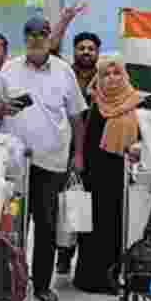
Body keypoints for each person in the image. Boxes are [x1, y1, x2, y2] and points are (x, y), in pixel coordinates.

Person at [0, 17, 88, 301]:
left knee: (45, 225)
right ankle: (8, 279)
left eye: (42, 33)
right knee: (11, 223)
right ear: (24, 38)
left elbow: (77, 117)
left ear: (50, 37)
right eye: (30, 34)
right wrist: (2, 108)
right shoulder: (9, 69)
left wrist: (78, 154)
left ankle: (42, 284)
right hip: (14, 164)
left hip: (51, 162)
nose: (36, 38)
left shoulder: (64, 71)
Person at [71, 56, 140, 294]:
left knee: (116, 224)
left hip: (121, 176)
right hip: (93, 174)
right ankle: (89, 278)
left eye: (117, 73)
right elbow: (82, 136)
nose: (112, 78)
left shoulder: (133, 102)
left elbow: (141, 139)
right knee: (92, 226)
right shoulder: (92, 103)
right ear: (98, 78)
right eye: (106, 74)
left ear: (125, 76)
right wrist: (78, 161)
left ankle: (114, 276)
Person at [57, 31, 102, 276]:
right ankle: (63, 254)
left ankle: (85, 258)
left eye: (91, 48)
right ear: (74, 51)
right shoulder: (64, 74)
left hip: (95, 149)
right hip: (64, 146)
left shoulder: (105, 77)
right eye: (81, 48)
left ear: (97, 53)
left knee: (88, 204)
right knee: (66, 203)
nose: (86, 52)